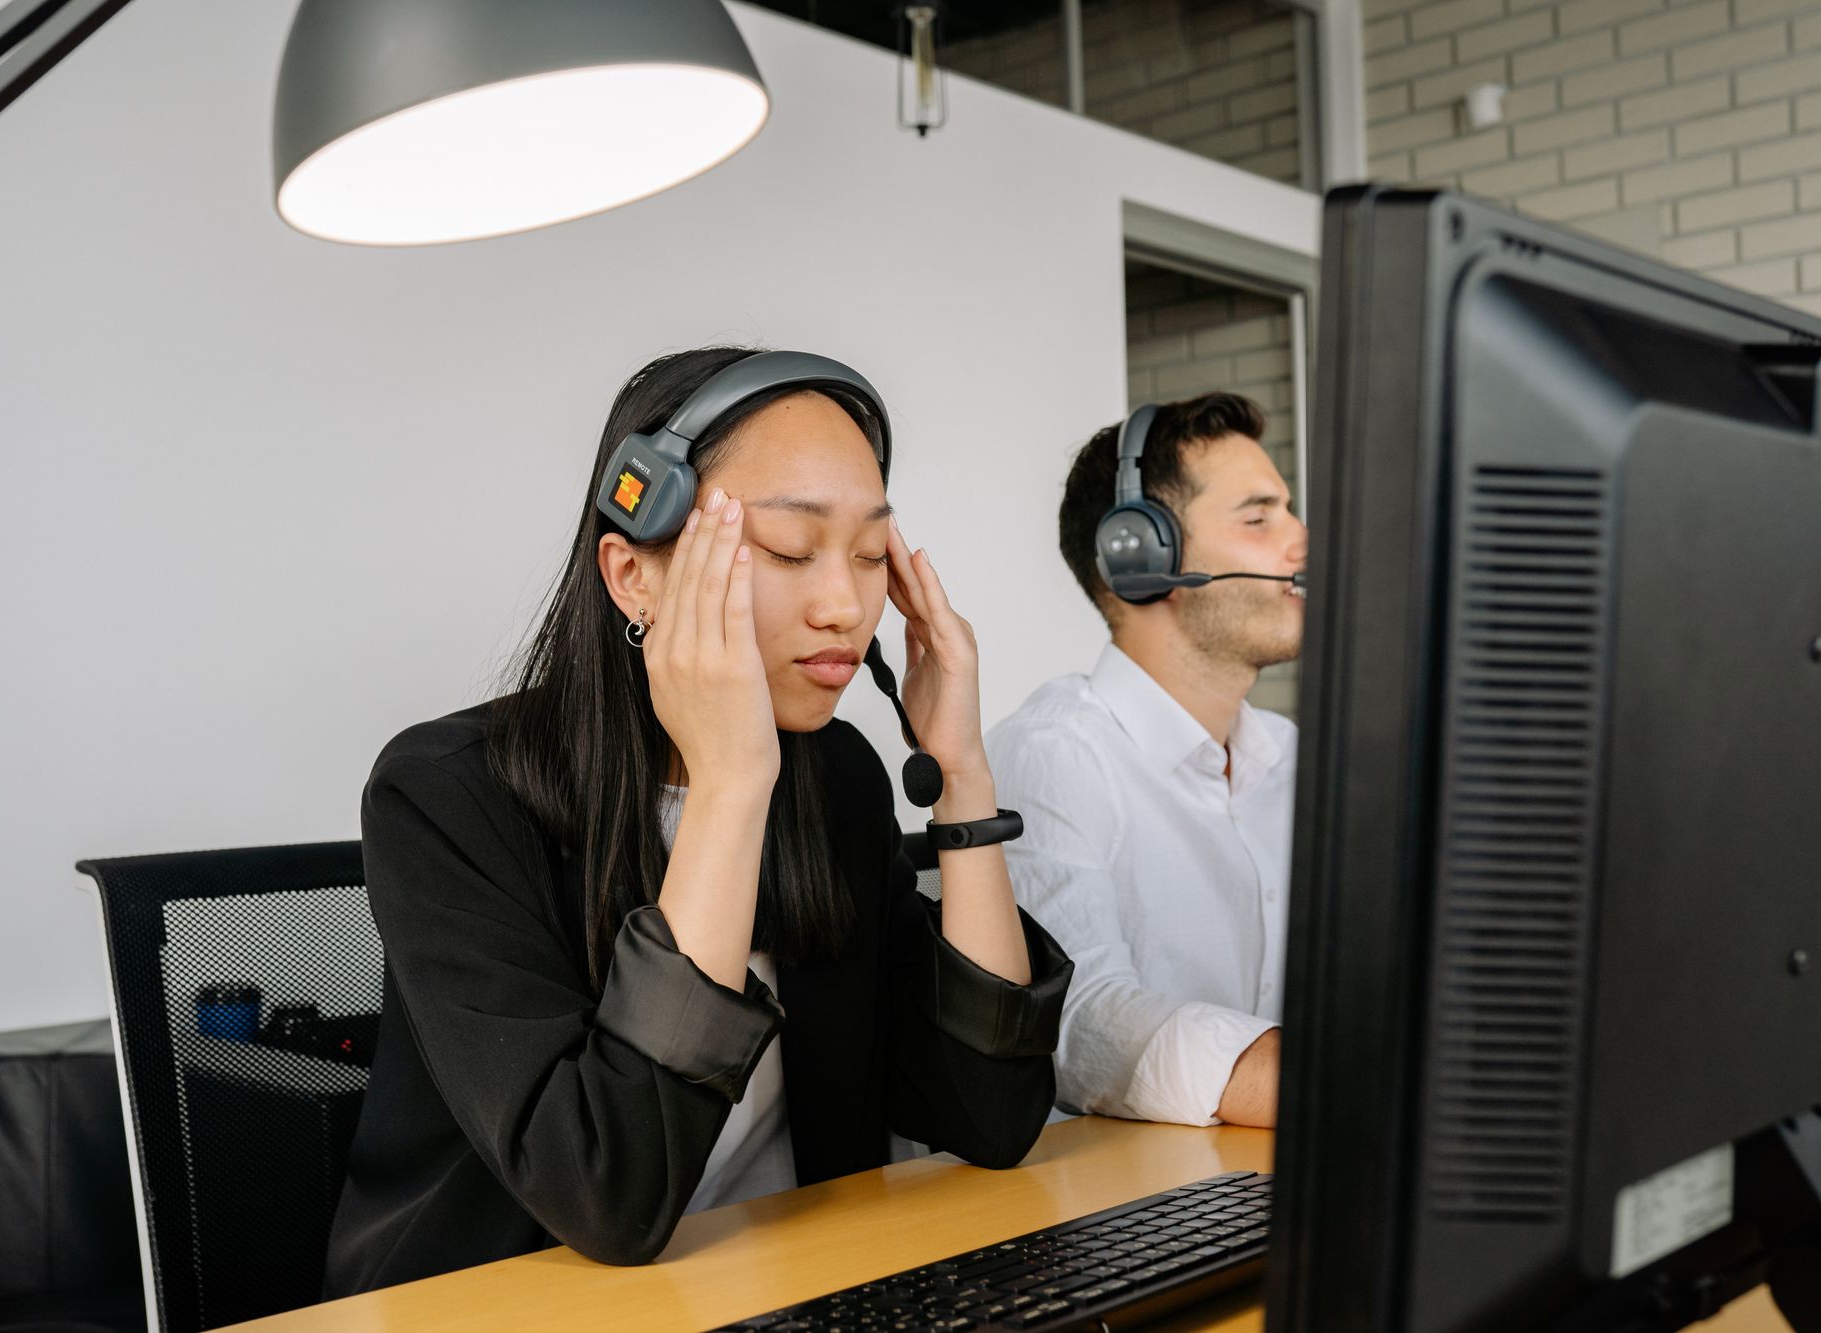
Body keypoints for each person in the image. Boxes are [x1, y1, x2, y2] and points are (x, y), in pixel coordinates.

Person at [324, 347, 1071, 1295]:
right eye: (792, 551)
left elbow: (994, 1113)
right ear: (634, 574)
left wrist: (961, 777)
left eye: (872, 554)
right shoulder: (447, 796)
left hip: (790, 1284)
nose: (845, 603)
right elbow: (612, 1197)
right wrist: (727, 783)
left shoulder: (836, 779)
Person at [984, 392, 1306, 1129]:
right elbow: (1082, 1021)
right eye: (1259, 519)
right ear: (1140, 555)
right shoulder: (1054, 754)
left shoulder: (1295, 759)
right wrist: (1329, 1082)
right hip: (1116, 1212)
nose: (1301, 540)